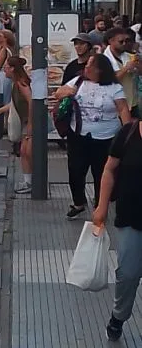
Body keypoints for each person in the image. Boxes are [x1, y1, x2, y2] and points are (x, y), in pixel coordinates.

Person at [54, 53, 130, 219]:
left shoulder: (114, 88)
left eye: (90, 66)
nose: (86, 68)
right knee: (75, 170)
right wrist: (67, 92)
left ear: (100, 70)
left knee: (101, 172)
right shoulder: (78, 81)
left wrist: (128, 133)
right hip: (79, 134)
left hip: (105, 137)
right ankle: (78, 202)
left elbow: (123, 109)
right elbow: (58, 94)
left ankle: (100, 204)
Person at [92, 119, 142, 341]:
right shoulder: (129, 133)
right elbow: (109, 170)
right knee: (128, 274)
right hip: (131, 216)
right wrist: (102, 206)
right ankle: (118, 316)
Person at [0, 57, 33, 194]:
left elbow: (31, 102)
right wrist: (0, 111)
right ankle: (28, 181)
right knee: (24, 152)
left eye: (7, 67)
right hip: (26, 121)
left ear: (13, 69)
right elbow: (14, 104)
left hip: (29, 122)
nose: (5, 70)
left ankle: (31, 182)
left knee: (28, 152)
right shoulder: (16, 84)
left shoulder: (21, 84)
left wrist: (31, 125)